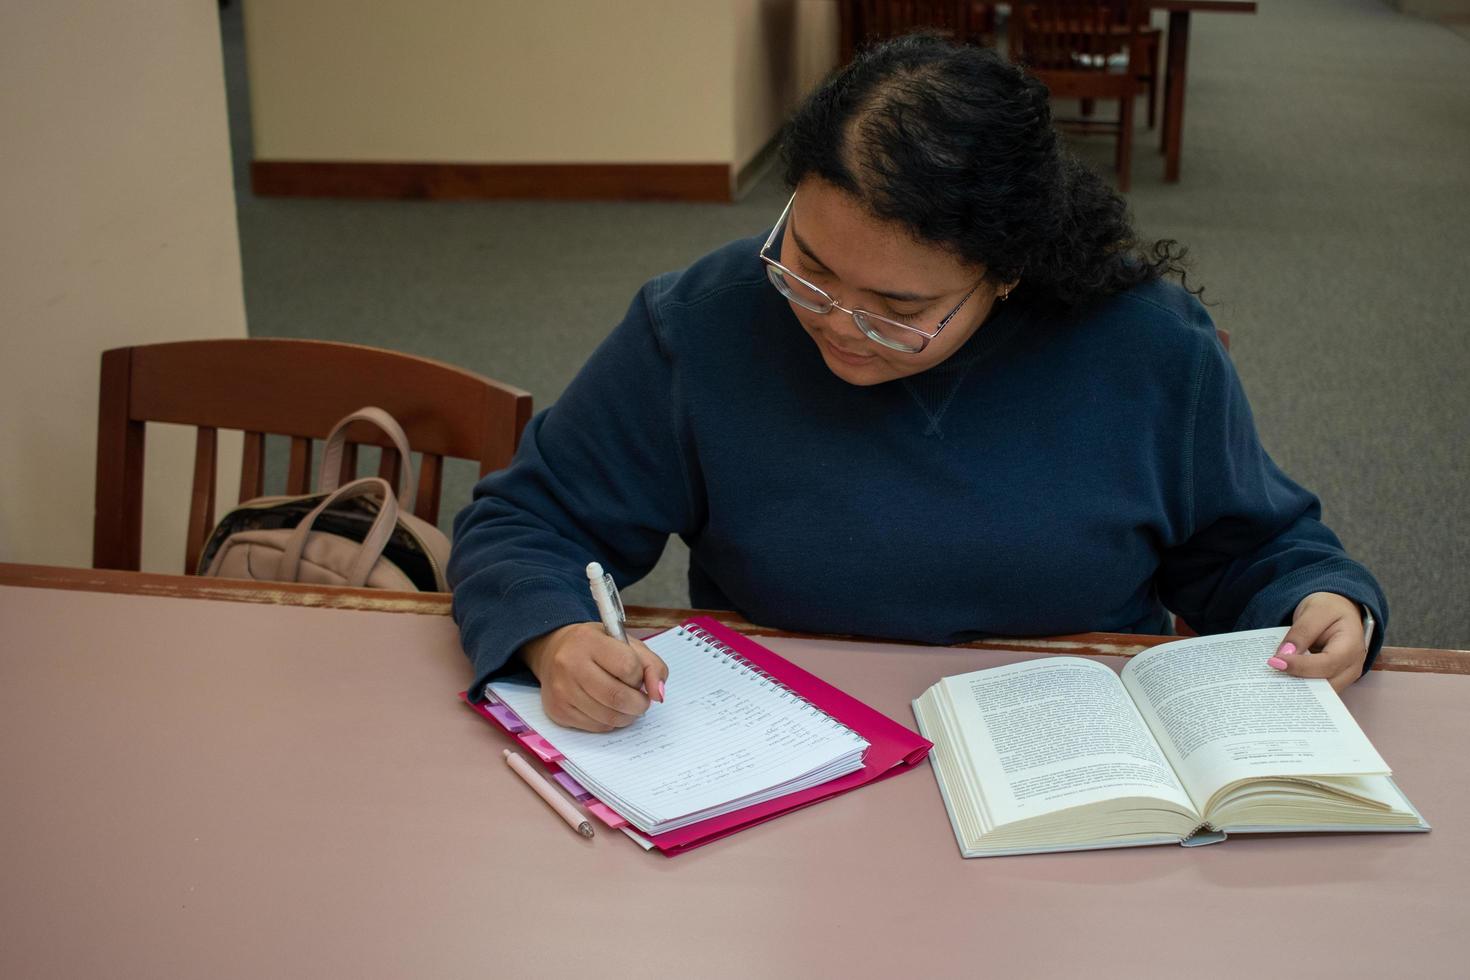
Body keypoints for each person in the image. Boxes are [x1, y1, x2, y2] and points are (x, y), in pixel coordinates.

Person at [449, 35, 1387, 733]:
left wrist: (1322, 602)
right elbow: (530, 523)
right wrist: (556, 638)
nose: (837, 323)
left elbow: (1249, 551)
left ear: (1008, 272)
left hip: (1074, 758)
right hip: (792, 748)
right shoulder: (705, 322)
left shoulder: (1145, 349)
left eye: (898, 308)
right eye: (808, 266)